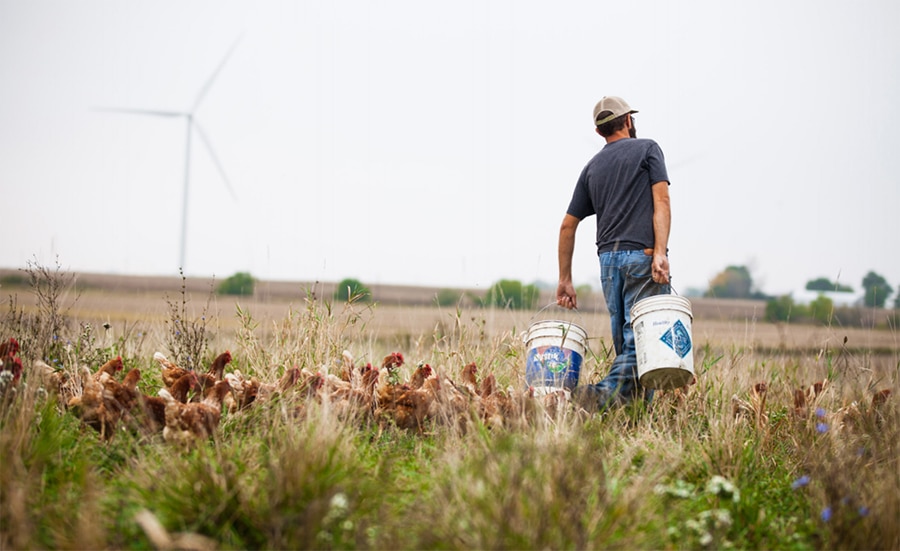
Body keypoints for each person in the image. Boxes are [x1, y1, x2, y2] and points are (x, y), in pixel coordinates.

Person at [556, 95, 672, 411]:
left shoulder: (591, 168)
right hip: (642, 257)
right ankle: (598, 396)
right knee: (646, 338)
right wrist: (659, 252)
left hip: (607, 262)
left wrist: (565, 279)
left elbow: (568, 226)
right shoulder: (648, 148)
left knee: (627, 343)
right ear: (628, 121)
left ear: (599, 132)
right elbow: (661, 202)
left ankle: (636, 416)